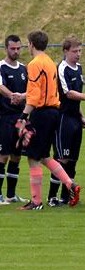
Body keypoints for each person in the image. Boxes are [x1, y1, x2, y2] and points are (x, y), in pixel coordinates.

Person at [18, 30, 81, 210]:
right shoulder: (50, 62)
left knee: (33, 157)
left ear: (31, 44)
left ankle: (36, 201)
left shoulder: (34, 64)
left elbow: (35, 95)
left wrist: (23, 116)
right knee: (44, 156)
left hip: (42, 113)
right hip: (54, 111)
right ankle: (70, 184)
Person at [48, 36, 85, 207]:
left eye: (80, 51)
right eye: (74, 51)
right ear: (65, 51)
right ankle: (52, 197)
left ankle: (67, 196)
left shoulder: (79, 68)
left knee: (72, 160)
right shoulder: (62, 68)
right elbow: (68, 93)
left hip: (74, 120)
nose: (78, 54)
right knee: (61, 159)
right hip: (63, 118)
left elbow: (76, 98)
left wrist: (81, 116)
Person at [0, 35, 28, 205]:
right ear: (6, 49)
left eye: (18, 48)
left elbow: (30, 89)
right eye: (13, 48)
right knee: (2, 155)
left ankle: (11, 194)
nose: (16, 51)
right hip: (4, 118)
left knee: (16, 156)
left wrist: (22, 97)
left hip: (20, 118)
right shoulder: (1, 67)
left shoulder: (24, 69)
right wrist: (12, 95)